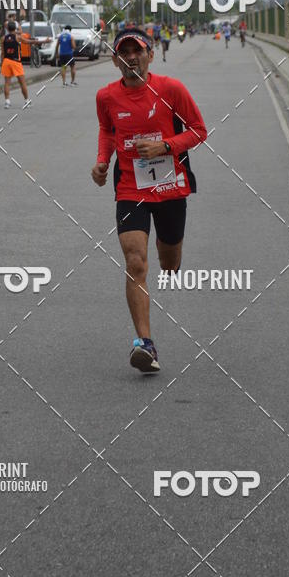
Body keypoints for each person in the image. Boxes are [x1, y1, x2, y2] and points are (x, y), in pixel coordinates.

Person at [91, 27, 207, 373]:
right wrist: (102, 161)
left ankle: (166, 249)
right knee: (136, 263)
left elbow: (199, 130)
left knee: (169, 263)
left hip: (170, 187)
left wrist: (165, 146)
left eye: (137, 51)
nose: (131, 58)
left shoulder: (171, 89)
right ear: (115, 60)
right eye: (124, 53)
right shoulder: (106, 97)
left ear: (150, 55)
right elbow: (107, 130)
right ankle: (145, 343)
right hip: (130, 188)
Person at [1, 20, 30, 109]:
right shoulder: (18, 37)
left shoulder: (3, 38)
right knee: (22, 83)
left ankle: (7, 101)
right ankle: (26, 101)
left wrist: (2, 63)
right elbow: (29, 42)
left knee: (7, 83)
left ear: (7, 28)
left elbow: (2, 53)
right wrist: (44, 41)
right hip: (16, 61)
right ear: (15, 28)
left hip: (6, 61)